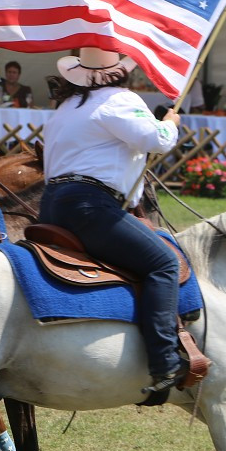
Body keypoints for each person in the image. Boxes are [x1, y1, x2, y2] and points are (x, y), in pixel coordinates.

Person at [40, 47, 184, 394]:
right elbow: (157, 141)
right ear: (119, 72)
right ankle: (165, 362)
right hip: (91, 205)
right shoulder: (119, 99)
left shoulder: (67, 107)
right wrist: (170, 123)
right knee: (164, 263)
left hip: (52, 204)